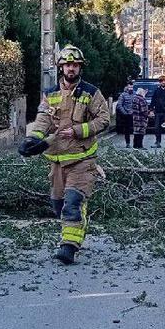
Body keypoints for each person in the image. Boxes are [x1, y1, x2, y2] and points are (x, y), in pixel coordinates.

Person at [18, 45, 111, 264]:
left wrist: (79, 130)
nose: (71, 69)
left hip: (82, 159)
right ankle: (76, 223)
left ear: (80, 68)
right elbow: (43, 120)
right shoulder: (50, 94)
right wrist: (33, 140)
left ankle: (69, 246)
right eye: (68, 65)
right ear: (61, 67)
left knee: (72, 203)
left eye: (75, 65)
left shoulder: (91, 93)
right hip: (57, 162)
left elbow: (104, 119)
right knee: (58, 205)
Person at [149, 75, 165, 147]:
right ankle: (158, 142)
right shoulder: (157, 91)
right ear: (159, 82)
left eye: (164, 81)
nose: (163, 82)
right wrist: (151, 109)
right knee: (157, 128)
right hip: (157, 112)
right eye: (161, 81)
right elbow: (153, 101)